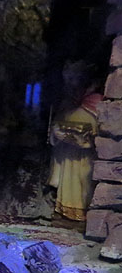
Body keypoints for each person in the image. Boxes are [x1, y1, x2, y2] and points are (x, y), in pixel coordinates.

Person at [48, 61, 102, 221]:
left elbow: (101, 131)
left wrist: (86, 138)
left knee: (83, 182)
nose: (71, 84)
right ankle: (66, 209)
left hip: (86, 155)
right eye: (68, 80)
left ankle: (84, 212)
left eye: (74, 79)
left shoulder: (97, 102)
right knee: (69, 181)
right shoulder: (68, 102)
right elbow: (57, 123)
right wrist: (57, 133)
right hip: (67, 152)